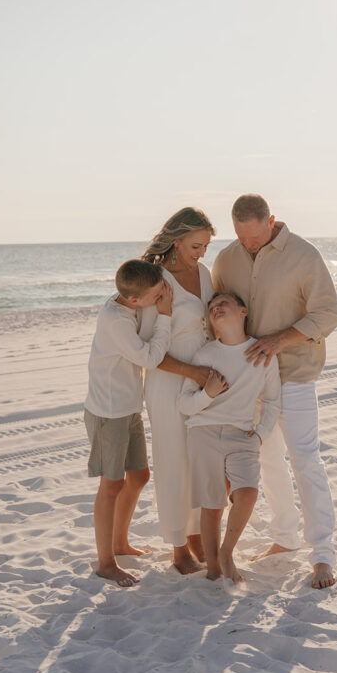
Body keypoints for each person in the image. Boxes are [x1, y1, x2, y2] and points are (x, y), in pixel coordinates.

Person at [212, 193, 337, 590]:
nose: (247, 244)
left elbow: (328, 313)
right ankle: (285, 538)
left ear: (272, 221)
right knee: (266, 460)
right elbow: (220, 308)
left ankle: (323, 555)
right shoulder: (227, 259)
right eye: (240, 237)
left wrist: (278, 340)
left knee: (305, 461)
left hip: (295, 373)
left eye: (254, 236)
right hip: (250, 380)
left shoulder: (304, 255)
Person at [139, 207, 224, 574]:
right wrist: (192, 371)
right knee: (173, 461)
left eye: (205, 246)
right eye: (195, 245)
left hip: (203, 378)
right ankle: (178, 549)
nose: (201, 253)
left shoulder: (204, 274)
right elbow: (147, 351)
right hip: (169, 378)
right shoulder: (156, 280)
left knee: (199, 460)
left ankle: (195, 537)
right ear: (176, 239)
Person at [179, 292, 281, 583]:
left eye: (223, 303)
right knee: (213, 504)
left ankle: (227, 551)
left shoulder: (262, 354)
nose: (216, 308)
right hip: (203, 432)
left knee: (247, 493)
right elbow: (184, 405)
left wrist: (259, 435)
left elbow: (272, 402)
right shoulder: (205, 355)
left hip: (243, 435)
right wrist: (207, 394)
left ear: (243, 311)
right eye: (212, 308)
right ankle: (214, 568)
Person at [83, 259, 173, 588]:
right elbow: (150, 358)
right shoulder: (116, 321)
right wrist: (164, 317)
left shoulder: (126, 302)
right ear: (135, 300)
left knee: (139, 476)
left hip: (127, 407)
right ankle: (106, 563)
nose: (162, 295)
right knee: (111, 486)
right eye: (156, 293)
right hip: (109, 412)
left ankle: (120, 543)